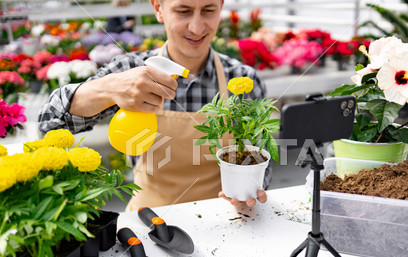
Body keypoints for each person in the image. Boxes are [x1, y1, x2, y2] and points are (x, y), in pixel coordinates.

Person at [38, 0, 270, 211]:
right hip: (147, 221)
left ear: (221, 7)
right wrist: (108, 88)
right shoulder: (131, 69)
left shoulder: (242, 79)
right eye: (183, 11)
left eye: (208, 10)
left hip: (223, 218)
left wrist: (250, 188)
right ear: (158, 9)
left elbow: (261, 157)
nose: (197, 27)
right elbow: (49, 123)